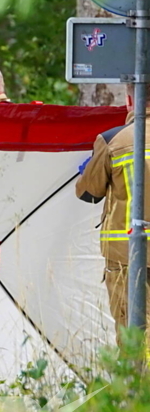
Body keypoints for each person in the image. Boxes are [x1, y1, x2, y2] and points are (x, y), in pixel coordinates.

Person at [76, 84, 150, 348]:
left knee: (133, 335)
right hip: (126, 257)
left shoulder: (113, 140)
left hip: (125, 257)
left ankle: (135, 388)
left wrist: (87, 171)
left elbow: (88, 193)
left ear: (130, 99)